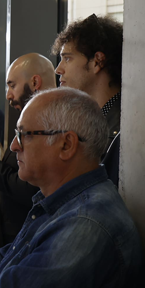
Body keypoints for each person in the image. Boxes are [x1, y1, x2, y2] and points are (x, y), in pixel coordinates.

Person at [0, 88, 145, 288]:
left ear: (66, 144)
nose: (14, 146)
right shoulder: (60, 201)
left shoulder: (84, 224)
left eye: (24, 134)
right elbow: (5, 265)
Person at [0, 53, 55, 260]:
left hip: (22, 242)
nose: (8, 95)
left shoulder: (50, 122)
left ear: (35, 82)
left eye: (12, 85)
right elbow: (10, 179)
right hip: (6, 240)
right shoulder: (32, 118)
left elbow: (29, 189)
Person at [52, 14, 124, 186]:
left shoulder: (122, 129)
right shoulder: (92, 120)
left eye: (67, 58)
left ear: (97, 62)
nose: (58, 69)